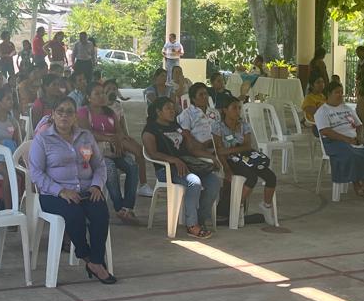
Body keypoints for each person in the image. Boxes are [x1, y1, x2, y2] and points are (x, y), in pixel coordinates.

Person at [29, 96, 115, 283]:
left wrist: (96, 185)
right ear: (53, 114)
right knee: (74, 214)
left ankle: (96, 261)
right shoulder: (43, 139)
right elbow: (36, 173)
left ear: (75, 116)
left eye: (69, 112)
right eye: (60, 111)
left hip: (86, 189)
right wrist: (61, 191)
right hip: (54, 194)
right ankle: (87, 256)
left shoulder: (86, 136)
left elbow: (99, 165)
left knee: (100, 212)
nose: (64, 116)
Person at [142, 96, 220, 239]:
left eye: (173, 108)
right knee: (194, 182)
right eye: (168, 108)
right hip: (166, 170)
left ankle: (200, 219)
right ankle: (192, 225)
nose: (173, 111)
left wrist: (211, 157)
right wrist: (173, 160)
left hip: (187, 165)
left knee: (214, 181)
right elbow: (152, 153)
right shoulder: (150, 130)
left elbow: (191, 150)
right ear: (158, 112)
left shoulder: (175, 126)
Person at [78, 80, 139, 225]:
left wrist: (117, 140)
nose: (102, 96)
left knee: (132, 166)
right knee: (109, 168)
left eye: (103, 93)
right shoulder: (83, 112)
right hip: (94, 153)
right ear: (88, 97)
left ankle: (127, 207)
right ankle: (118, 206)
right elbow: (87, 133)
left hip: (114, 149)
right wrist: (109, 139)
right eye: (97, 94)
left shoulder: (110, 112)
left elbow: (119, 131)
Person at [212, 92, 276, 222]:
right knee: (251, 177)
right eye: (234, 108)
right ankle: (238, 206)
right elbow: (219, 151)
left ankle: (266, 205)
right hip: (231, 161)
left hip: (247, 157)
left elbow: (247, 146)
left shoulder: (244, 125)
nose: (238, 111)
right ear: (225, 110)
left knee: (271, 177)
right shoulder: (218, 126)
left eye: (239, 108)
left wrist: (229, 150)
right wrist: (226, 168)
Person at [313, 81, 364, 197]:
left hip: (353, 139)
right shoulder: (322, 111)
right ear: (329, 94)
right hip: (333, 142)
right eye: (337, 92)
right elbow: (325, 131)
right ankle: (357, 185)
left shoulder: (347, 108)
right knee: (351, 155)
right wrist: (346, 139)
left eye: (341, 92)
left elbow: (359, 125)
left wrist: (360, 137)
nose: (340, 95)